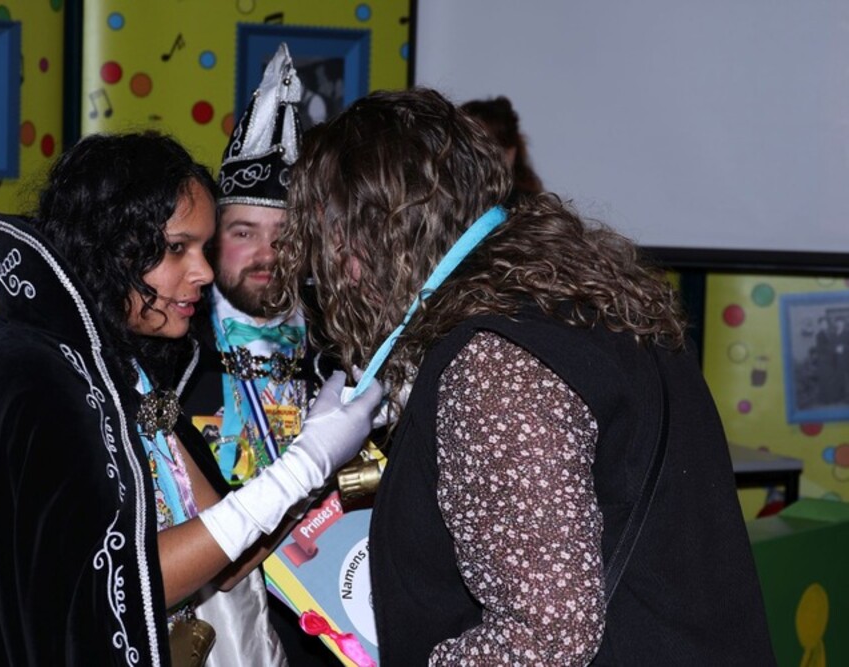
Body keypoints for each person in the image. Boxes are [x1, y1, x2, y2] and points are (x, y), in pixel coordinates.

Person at [272, 88, 777, 665]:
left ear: (372, 238)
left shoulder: (492, 364)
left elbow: (547, 634)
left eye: (329, 244)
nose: (332, 274)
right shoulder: (582, 303)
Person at [0, 130, 381, 666]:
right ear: (112, 250)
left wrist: (321, 468)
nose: (202, 272)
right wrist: (306, 463)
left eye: (203, 248)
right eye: (177, 248)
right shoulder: (33, 374)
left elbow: (226, 562)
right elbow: (119, 589)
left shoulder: (120, 365)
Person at [178, 43, 342, 666]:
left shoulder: (343, 343)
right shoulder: (171, 354)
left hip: (326, 617)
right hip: (218, 625)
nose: (265, 254)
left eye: (284, 235)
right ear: (213, 240)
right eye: (243, 233)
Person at [461, 95, 544, 205]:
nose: (473, 159)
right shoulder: (452, 198)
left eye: (482, 151)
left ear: (510, 153)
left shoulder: (522, 206)